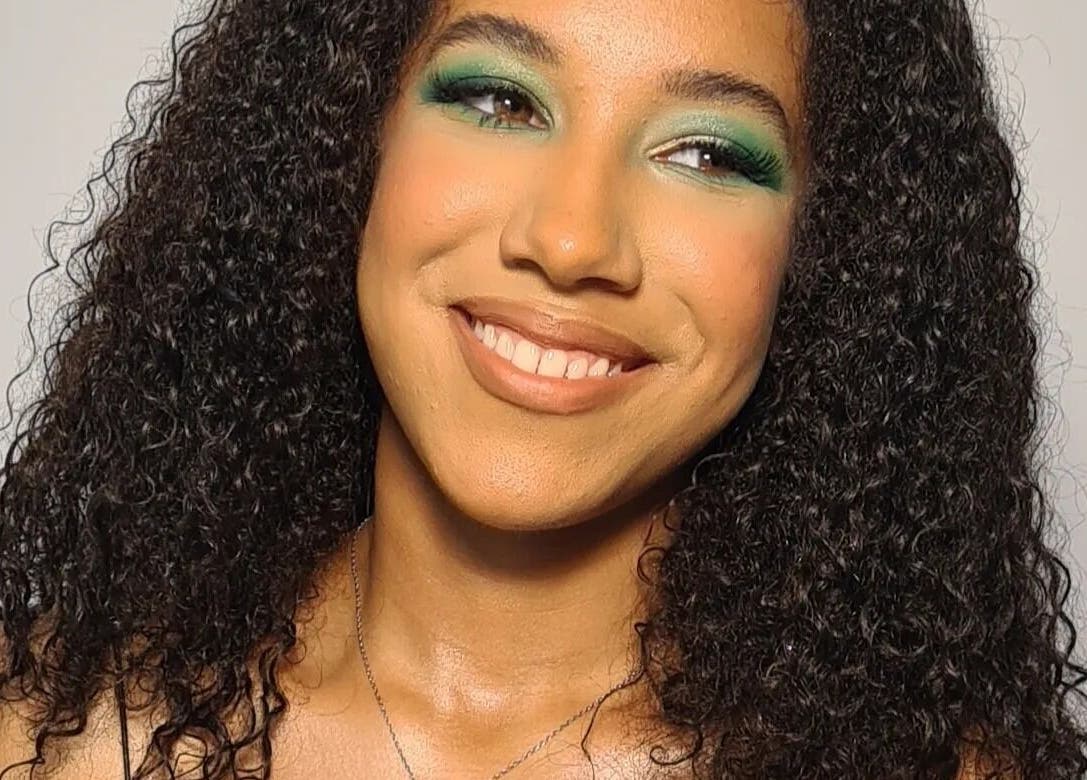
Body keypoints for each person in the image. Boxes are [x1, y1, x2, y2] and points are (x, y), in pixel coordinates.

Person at [1, 0, 1084, 777]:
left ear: (831, 255)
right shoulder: (40, 735)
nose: (570, 241)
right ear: (341, 141)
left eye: (707, 155)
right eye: (498, 98)